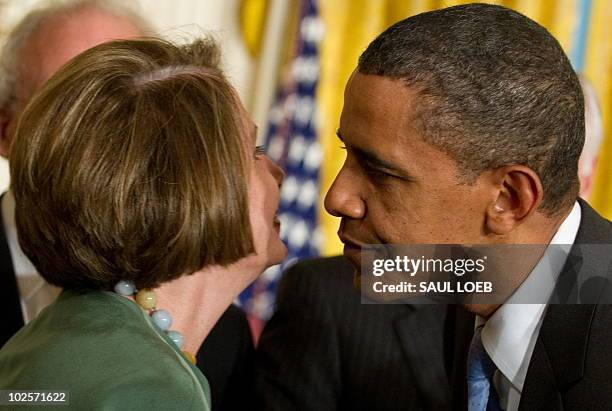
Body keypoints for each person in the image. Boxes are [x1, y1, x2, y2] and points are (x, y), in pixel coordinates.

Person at [318, 4, 610, 411]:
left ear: (508, 199)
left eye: (381, 172)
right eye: (347, 153)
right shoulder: (472, 281)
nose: (336, 198)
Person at [0, 36, 286, 410]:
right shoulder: (145, 388)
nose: (277, 173)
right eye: (254, 153)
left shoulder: (51, 337)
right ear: (188, 189)